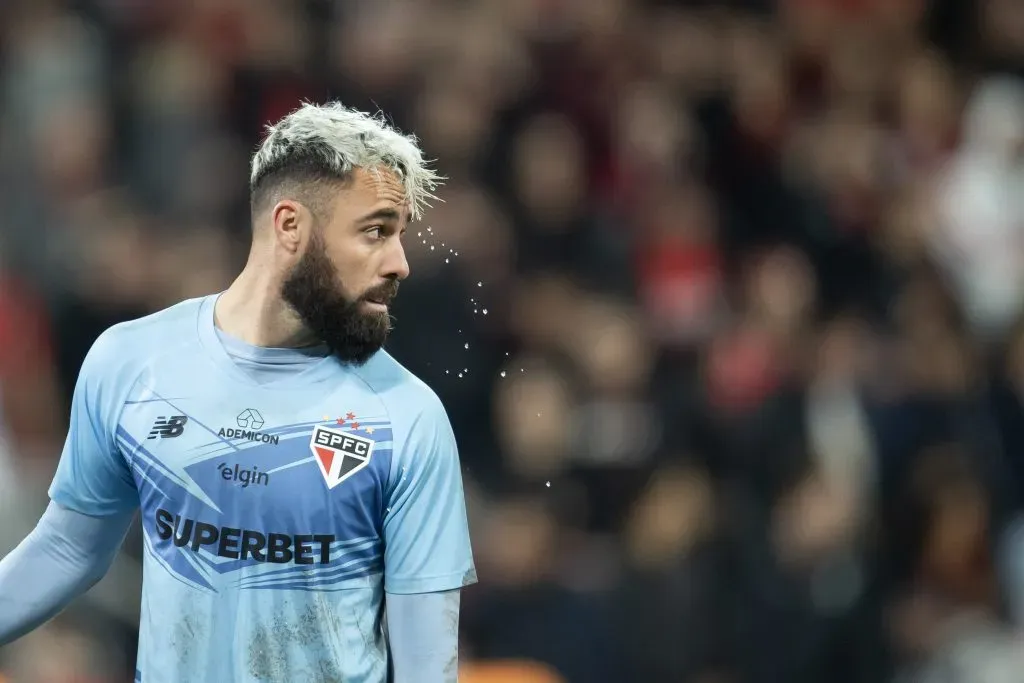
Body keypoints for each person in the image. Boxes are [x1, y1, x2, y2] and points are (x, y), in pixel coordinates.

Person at [0, 102, 477, 683]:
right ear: (290, 225)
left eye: (399, 235)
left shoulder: (407, 417)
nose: (400, 262)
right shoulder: (132, 362)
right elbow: (67, 551)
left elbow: (428, 667)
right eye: (376, 231)